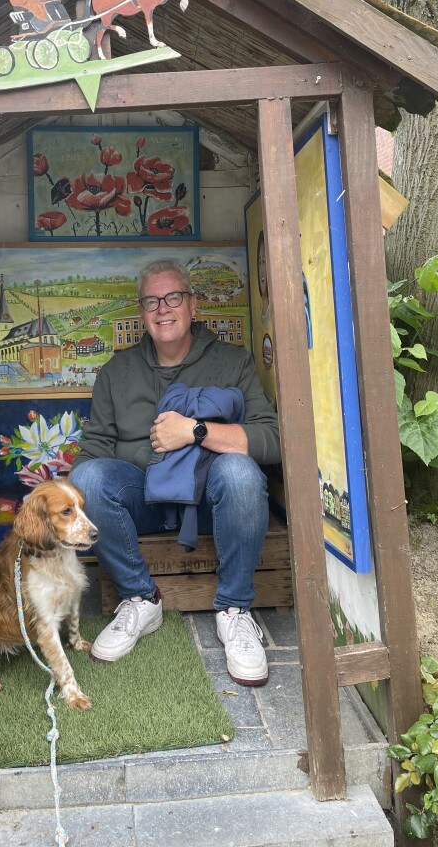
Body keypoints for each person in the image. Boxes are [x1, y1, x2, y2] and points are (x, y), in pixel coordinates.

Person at [70, 259, 281, 686]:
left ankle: (234, 610)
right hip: (143, 502)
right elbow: (93, 453)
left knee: (240, 473)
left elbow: (273, 440)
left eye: (173, 297)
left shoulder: (233, 362)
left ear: (192, 304)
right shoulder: (116, 372)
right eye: (151, 301)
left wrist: (195, 431)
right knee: (87, 480)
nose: (163, 309)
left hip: (212, 504)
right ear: (141, 311)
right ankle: (140, 598)